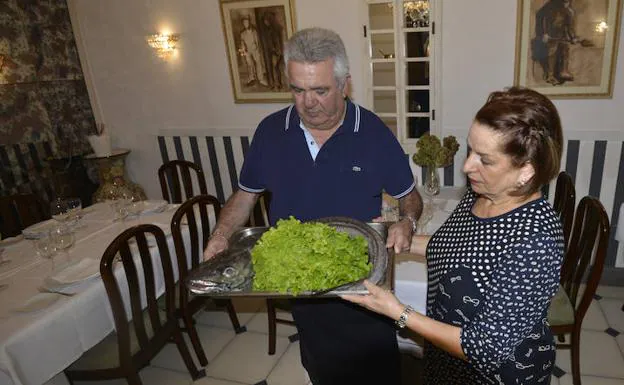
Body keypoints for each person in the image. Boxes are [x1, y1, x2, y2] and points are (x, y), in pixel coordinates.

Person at [204, 27, 423, 385]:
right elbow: (245, 195)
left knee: (376, 372)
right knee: (321, 370)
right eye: (298, 90)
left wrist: (407, 222)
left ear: (344, 84)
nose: (308, 102)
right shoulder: (270, 132)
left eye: (320, 90)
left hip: (363, 288)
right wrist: (221, 234)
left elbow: (409, 197)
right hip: (301, 285)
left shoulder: (373, 133)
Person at [343, 86, 565, 384]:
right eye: (470, 149)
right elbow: (454, 249)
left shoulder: (536, 240)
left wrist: (398, 311)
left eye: (485, 160)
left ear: (526, 171)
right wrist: (390, 237)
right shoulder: (480, 195)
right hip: (447, 357)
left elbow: (485, 348)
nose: (467, 166)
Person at [533, 0, 578, 85]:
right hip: (550, 35)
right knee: (552, 53)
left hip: (561, 35)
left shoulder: (569, 12)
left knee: (565, 50)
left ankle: (563, 71)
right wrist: (543, 33)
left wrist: (573, 38)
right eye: (565, 2)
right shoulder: (549, 7)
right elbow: (540, 17)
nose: (566, 4)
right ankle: (549, 76)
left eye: (568, 2)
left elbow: (569, 27)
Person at [239, 15, 268, 87]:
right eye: (244, 23)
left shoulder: (254, 31)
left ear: (249, 23)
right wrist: (244, 52)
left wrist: (256, 48)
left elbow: (257, 42)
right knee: (249, 64)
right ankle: (251, 78)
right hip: (247, 51)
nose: (245, 24)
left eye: (246, 22)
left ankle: (261, 79)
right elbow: (242, 44)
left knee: (258, 63)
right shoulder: (242, 34)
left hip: (255, 50)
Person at [259, 11, 284, 90]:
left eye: (266, 20)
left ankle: (278, 84)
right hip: (271, 51)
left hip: (276, 51)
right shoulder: (267, 29)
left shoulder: (276, 29)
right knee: (273, 68)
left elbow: (278, 41)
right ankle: (274, 84)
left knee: (276, 68)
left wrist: (277, 50)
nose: (265, 22)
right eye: (264, 21)